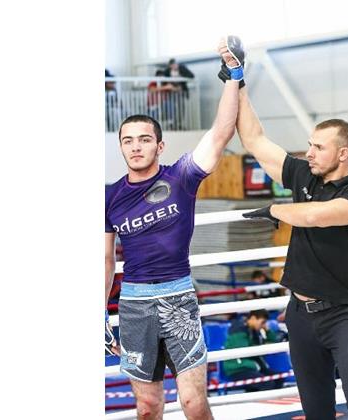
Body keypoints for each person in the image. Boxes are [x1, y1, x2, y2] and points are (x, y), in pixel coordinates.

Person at [218, 36, 348, 419]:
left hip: (345, 315)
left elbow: (317, 215)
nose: (309, 153)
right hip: (300, 313)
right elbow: (254, 139)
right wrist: (237, 79)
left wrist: (275, 209)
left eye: (318, 147)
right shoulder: (304, 175)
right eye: (310, 145)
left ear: (342, 154)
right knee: (316, 411)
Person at [104, 39, 244, 420]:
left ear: (160, 146)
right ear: (120, 147)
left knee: (193, 403)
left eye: (144, 139)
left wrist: (234, 75)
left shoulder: (181, 176)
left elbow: (220, 133)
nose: (136, 147)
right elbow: (104, 259)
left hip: (178, 296)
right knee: (148, 407)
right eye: (128, 141)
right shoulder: (109, 196)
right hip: (134, 304)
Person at [223, 310, 285, 392]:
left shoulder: (254, 331)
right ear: (253, 318)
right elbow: (242, 351)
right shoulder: (238, 329)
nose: (263, 325)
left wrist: (267, 330)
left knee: (279, 379)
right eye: (262, 322)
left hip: (251, 366)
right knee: (267, 383)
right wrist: (262, 348)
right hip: (238, 368)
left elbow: (273, 341)